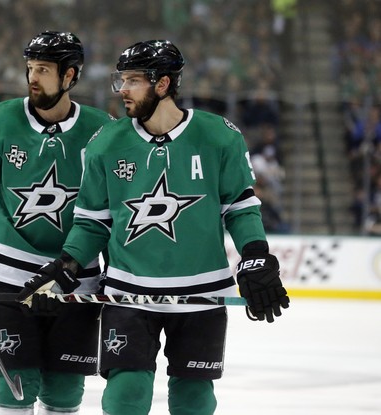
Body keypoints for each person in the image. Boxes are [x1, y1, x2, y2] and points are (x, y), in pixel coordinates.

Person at [17, 40, 290, 415]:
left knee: (195, 401)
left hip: (202, 293)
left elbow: (240, 209)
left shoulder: (220, 136)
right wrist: (67, 265)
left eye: (131, 81)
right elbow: (91, 223)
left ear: (162, 84)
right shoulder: (106, 144)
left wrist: (256, 256)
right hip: (129, 294)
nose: (122, 90)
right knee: (124, 397)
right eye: (121, 79)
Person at [0, 31, 115, 414]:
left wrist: (103, 269)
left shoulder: (104, 130)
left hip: (75, 281)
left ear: (70, 76)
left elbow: (110, 215)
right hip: (9, 279)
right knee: (13, 388)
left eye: (43, 70)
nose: (32, 78)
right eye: (30, 68)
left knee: (65, 392)